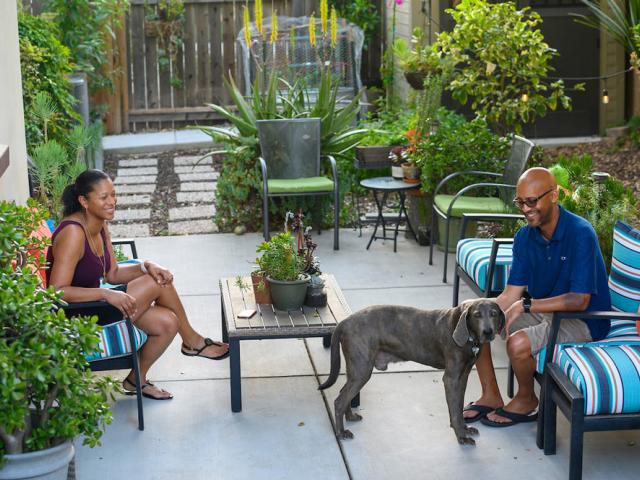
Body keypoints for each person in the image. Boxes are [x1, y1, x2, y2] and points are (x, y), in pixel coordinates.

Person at [47, 170, 229, 400]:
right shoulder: (73, 233)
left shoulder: (99, 224)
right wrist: (105, 294)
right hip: (80, 315)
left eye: (113, 195)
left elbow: (112, 273)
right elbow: (56, 291)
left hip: (100, 305)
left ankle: (136, 380)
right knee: (158, 282)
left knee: (167, 323)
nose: (112, 202)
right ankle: (192, 341)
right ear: (84, 201)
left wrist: (146, 265)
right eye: (104, 198)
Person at [462, 167, 611, 426]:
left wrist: (527, 305)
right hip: (545, 312)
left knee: (518, 344)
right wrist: (473, 308)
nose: (525, 208)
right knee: (473, 318)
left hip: (584, 320)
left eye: (532, 201)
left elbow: (580, 300)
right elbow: (511, 294)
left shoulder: (580, 233)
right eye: (520, 201)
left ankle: (527, 400)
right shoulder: (525, 237)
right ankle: (490, 396)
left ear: (553, 195)